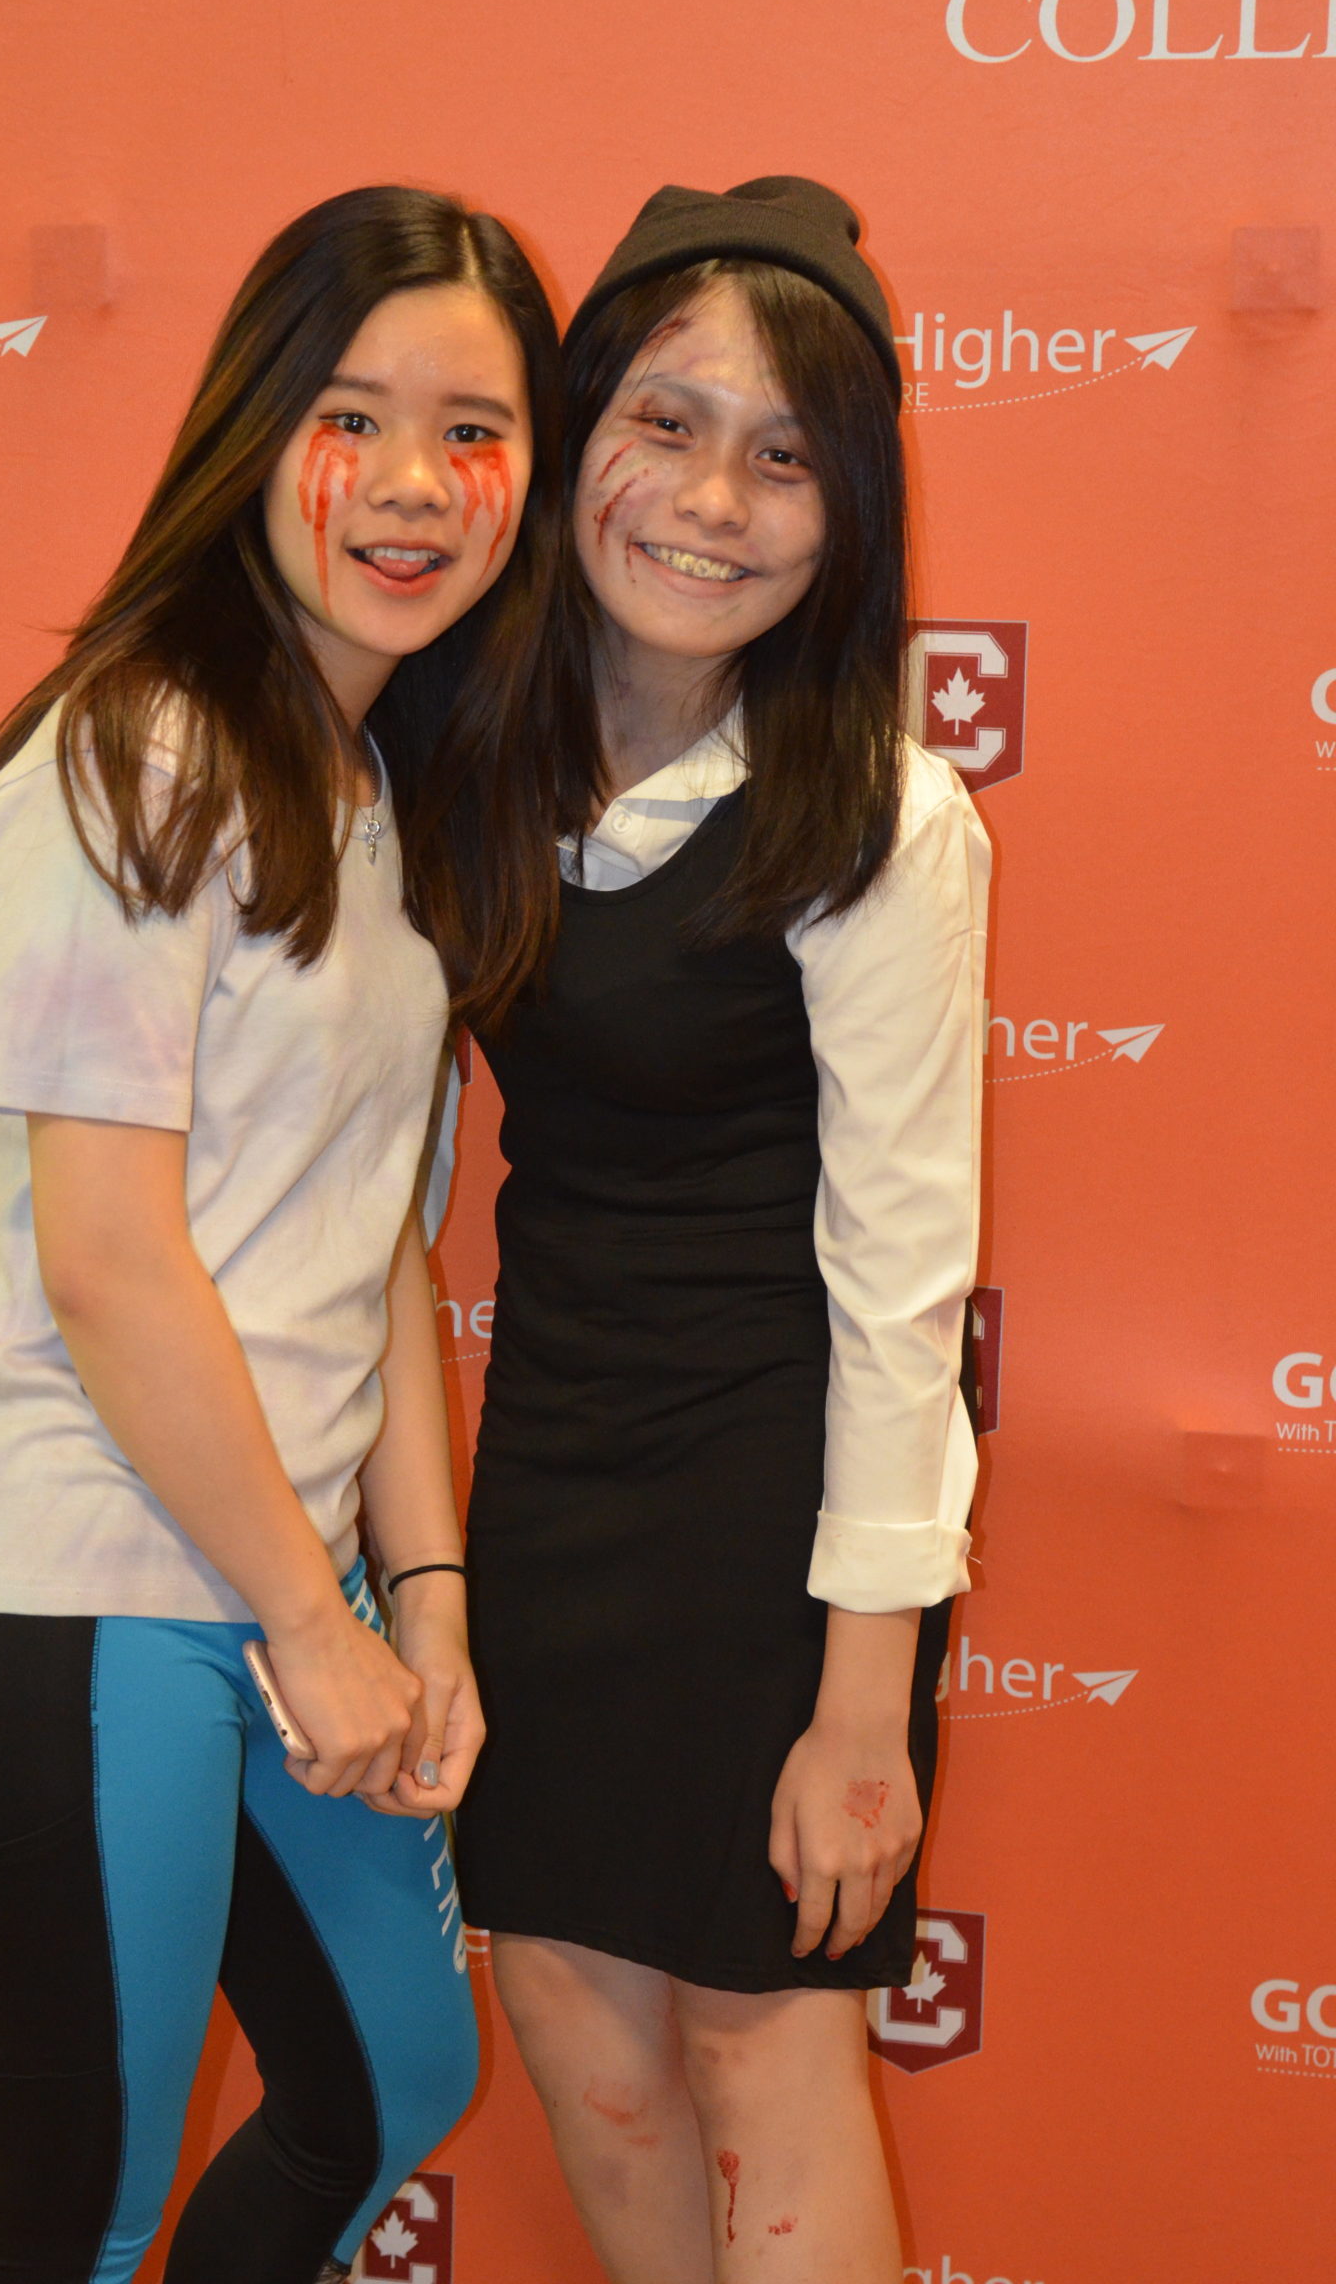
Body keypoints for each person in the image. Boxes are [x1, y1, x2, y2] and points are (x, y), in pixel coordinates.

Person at [0, 184, 570, 2284]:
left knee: (389, 2082)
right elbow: (107, 1257)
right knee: (76, 2205)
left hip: (278, 1582)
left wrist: (420, 1600)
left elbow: (376, 1260)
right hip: (70, 1585)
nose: (415, 483)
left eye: (474, 430)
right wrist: (312, 1623)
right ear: (255, 431)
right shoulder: (139, 748)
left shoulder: (380, 791)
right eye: (354, 417)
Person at [454, 177, 990, 2283]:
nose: (709, 501)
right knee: (567, 2001)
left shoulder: (880, 814)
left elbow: (902, 1278)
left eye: (783, 458)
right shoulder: (459, 759)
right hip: (548, 1460)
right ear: (573, 433)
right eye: (663, 425)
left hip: (772, 1503)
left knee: (764, 2033)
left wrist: (862, 1705)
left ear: (847, 515)